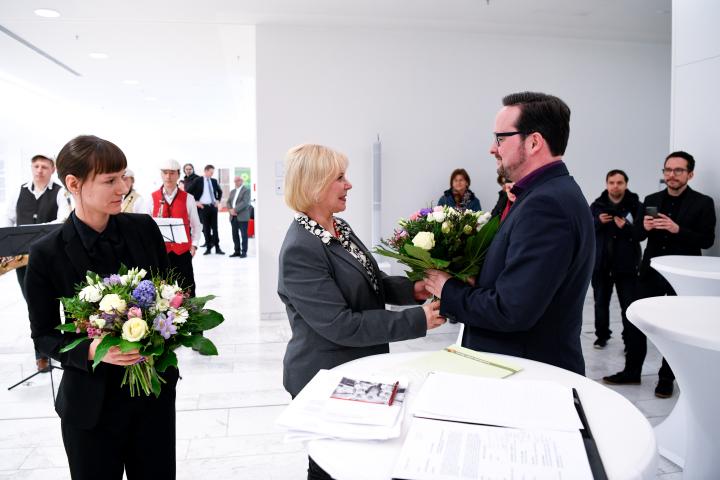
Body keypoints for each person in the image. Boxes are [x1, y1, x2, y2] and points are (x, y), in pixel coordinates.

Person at [277, 144, 445, 480]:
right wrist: (417, 320)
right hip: (325, 375)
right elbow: (341, 325)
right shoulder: (300, 249)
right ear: (314, 185)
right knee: (332, 466)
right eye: (339, 178)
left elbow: (372, 281)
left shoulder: (339, 227)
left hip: (359, 367)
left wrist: (414, 290)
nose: (348, 184)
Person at [23, 135, 177, 479]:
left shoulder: (143, 229)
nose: (122, 187)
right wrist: (94, 350)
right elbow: (44, 336)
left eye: (123, 176)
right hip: (89, 407)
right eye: (110, 180)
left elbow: (173, 293)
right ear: (74, 183)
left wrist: (164, 326)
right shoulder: (47, 253)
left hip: (152, 398)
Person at [424, 92, 594, 375]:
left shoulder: (546, 205)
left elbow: (511, 310)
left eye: (500, 138)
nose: (493, 148)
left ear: (534, 141)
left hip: (524, 374)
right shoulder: (545, 194)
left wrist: (447, 288)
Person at [604, 151, 716, 398]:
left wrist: (678, 229)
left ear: (690, 174)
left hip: (683, 275)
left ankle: (666, 379)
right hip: (650, 271)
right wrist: (642, 228)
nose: (671, 175)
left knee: (676, 327)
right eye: (668, 170)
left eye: (678, 170)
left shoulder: (703, 202)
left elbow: (707, 240)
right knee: (637, 321)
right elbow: (637, 238)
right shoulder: (651, 198)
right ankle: (632, 371)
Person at [3, 154, 71, 371]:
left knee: (58, 302)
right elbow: (7, 218)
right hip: (23, 259)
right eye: (36, 166)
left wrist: (35, 232)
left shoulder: (61, 191)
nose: (39, 170)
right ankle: (41, 354)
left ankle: (63, 349)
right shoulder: (18, 191)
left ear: (52, 170)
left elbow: (63, 219)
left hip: (52, 256)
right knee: (34, 304)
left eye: (44, 166)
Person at [589, 170, 643, 349]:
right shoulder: (596, 206)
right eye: (611, 182)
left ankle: (630, 340)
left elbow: (641, 234)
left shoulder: (636, 206)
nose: (615, 186)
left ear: (626, 184)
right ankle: (601, 336)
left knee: (628, 306)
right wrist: (597, 221)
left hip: (626, 265)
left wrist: (626, 228)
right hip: (601, 265)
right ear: (606, 184)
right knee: (600, 304)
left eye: (619, 182)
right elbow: (586, 230)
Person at [148, 159, 202, 296]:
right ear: (161, 175)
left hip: (182, 251)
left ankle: (190, 316)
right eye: (165, 173)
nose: (168, 176)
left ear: (178, 175)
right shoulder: (152, 198)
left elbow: (196, 225)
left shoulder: (188, 198)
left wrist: (194, 245)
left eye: (172, 173)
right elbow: (146, 226)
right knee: (163, 292)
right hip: (161, 252)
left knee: (188, 288)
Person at [195, 164, 224, 255]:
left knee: (215, 229)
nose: (212, 174)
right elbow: (189, 191)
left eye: (213, 172)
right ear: (206, 171)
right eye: (211, 172)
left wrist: (218, 201)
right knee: (206, 229)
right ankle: (208, 248)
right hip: (204, 208)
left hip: (213, 207)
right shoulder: (198, 180)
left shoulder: (214, 181)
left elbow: (220, 191)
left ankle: (217, 248)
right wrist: (196, 202)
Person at [227, 175, 251, 258]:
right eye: (235, 181)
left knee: (244, 235)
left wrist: (234, 210)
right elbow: (228, 202)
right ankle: (236, 251)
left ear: (242, 181)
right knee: (235, 234)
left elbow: (245, 202)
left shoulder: (246, 190)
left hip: (242, 216)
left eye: (238, 180)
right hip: (233, 216)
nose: (236, 182)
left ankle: (244, 252)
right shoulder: (232, 191)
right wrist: (230, 210)